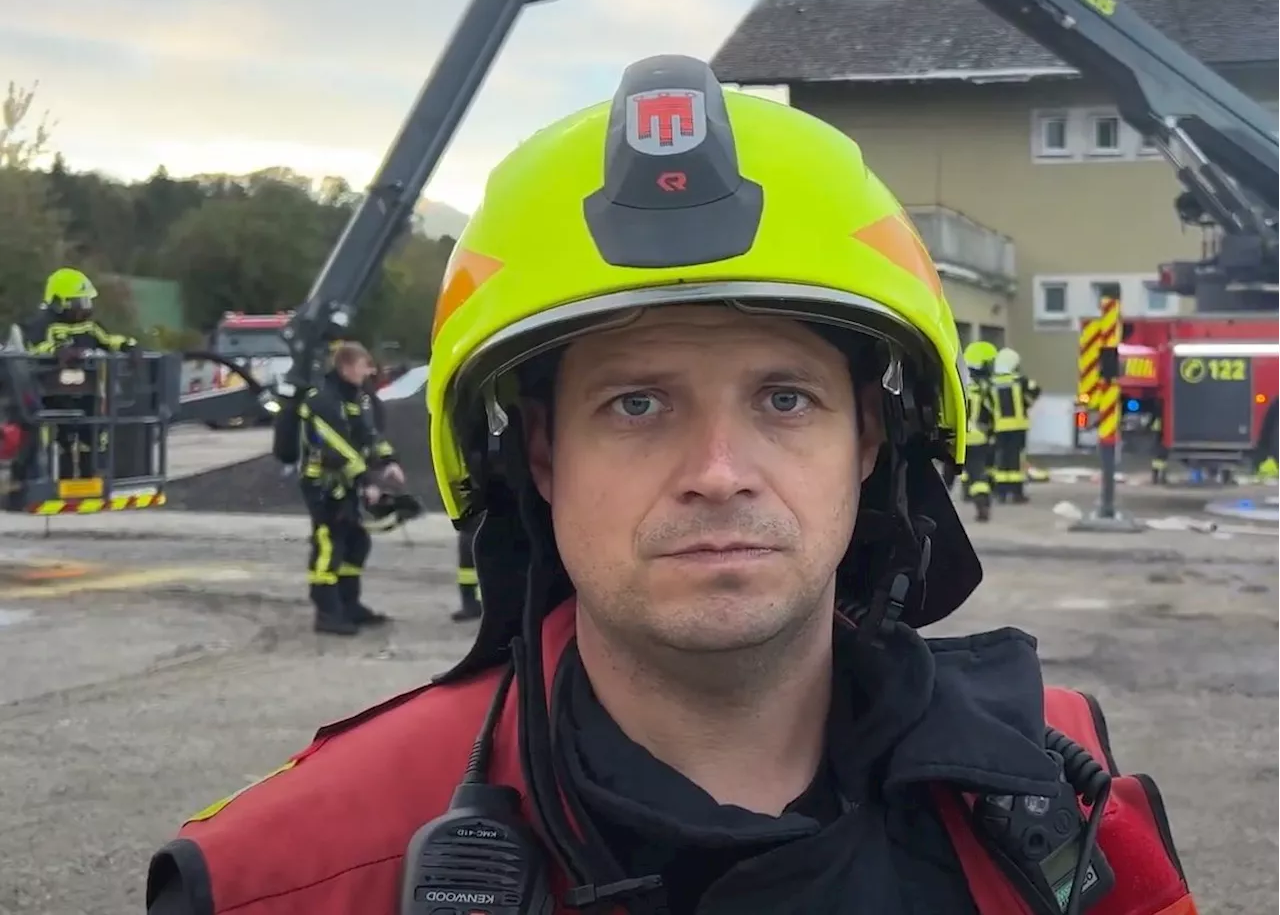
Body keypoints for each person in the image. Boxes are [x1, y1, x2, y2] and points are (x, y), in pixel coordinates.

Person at [145, 57, 1195, 915]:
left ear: (869, 440)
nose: (717, 474)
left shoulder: (1060, 803)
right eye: (636, 406)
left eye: (783, 400)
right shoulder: (276, 880)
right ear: (540, 458)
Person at [297, 341, 405, 635]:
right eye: (363, 366)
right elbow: (338, 448)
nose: (369, 372)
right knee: (329, 545)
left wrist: (388, 461)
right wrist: (367, 481)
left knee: (357, 542)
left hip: (346, 483)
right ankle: (327, 613)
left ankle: (349, 604)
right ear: (346, 367)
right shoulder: (322, 400)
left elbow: (368, 435)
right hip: (322, 484)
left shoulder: (355, 397)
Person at [20, 267, 139, 478]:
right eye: (78, 303)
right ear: (59, 303)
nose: (84, 309)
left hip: (87, 392)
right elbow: (34, 348)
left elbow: (109, 340)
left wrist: (129, 346)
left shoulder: (89, 327)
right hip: (52, 394)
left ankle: (89, 479)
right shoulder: (44, 325)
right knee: (59, 438)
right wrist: (58, 352)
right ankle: (53, 480)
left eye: (86, 302)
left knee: (90, 435)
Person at [988, 346, 1036, 504]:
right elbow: (1033, 394)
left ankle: (1001, 493)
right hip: (1017, 426)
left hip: (1000, 427)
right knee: (1016, 460)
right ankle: (1017, 494)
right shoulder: (1020, 381)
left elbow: (988, 405)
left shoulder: (992, 383)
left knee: (1001, 460)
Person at [960, 341, 996, 521]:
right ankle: (982, 505)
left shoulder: (960, 385)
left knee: (947, 476)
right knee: (978, 474)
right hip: (977, 437)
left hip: (959, 437)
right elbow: (990, 412)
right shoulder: (982, 389)